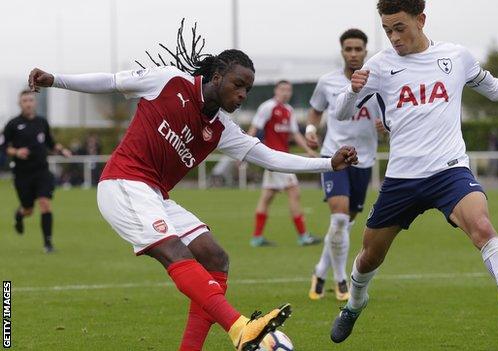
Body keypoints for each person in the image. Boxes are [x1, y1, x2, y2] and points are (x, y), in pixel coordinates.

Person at [28, 20, 358, 351]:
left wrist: (327, 163)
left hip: (155, 196)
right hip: (122, 183)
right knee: (175, 252)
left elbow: (270, 157)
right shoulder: (168, 81)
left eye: (247, 89)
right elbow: (111, 82)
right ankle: (241, 328)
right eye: (238, 85)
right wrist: (56, 80)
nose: (242, 95)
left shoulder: (222, 128)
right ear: (217, 77)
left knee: (215, 258)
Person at [328, 0, 498, 344]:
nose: (393, 37)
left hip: (448, 170)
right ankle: (355, 304)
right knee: (369, 255)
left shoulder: (455, 57)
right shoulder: (378, 66)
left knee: (482, 226)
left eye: (399, 27)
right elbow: (342, 113)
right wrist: (352, 90)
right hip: (402, 178)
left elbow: (495, 89)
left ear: (421, 20)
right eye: (387, 30)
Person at [305, 29, 383, 301]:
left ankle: (320, 270)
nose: (353, 54)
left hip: (364, 161)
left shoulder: (378, 82)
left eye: (358, 49)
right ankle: (341, 281)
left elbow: (390, 117)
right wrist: (310, 129)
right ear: (342, 52)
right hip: (333, 158)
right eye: (348, 49)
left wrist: (385, 126)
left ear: (365, 51)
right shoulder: (327, 82)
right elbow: (315, 110)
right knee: (338, 219)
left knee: (343, 226)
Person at [248, 80, 321, 247]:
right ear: (276, 90)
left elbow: (295, 134)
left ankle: (257, 237)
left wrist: (309, 151)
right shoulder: (268, 107)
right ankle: (303, 236)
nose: (285, 93)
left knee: (267, 197)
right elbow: (254, 128)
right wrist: (243, 151)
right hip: (276, 159)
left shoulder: (289, 110)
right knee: (294, 193)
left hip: (280, 159)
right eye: (282, 89)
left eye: (288, 90)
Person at [0, 90, 72, 253]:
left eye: (31, 100)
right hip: (22, 174)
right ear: (20, 103)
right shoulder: (12, 124)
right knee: (28, 210)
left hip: (41, 172)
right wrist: (16, 152)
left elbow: (50, 143)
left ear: (35, 103)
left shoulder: (42, 122)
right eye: (25, 100)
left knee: (45, 204)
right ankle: (19, 215)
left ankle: (48, 244)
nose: (28, 103)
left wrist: (62, 150)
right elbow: (3, 147)